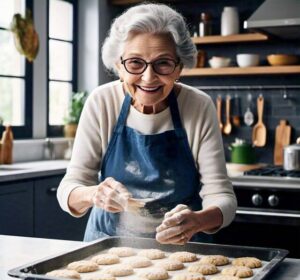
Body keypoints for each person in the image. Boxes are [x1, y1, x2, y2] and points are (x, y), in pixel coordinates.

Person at [57, 3, 237, 245]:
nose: (148, 77)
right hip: (108, 249)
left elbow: (222, 196)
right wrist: (93, 194)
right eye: (135, 62)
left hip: (185, 251)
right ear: (118, 66)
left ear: (179, 67)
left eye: (163, 63)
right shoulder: (102, 102)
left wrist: (198, 220)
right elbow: (69, 188)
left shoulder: (198, 106)